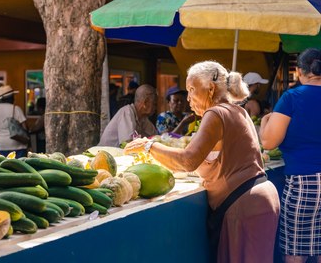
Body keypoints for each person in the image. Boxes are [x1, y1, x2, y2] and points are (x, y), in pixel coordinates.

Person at [124, 61, 279, 262]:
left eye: (191, 90)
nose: (188, 99)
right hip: (260, 199)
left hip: (243, 206)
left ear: (211, 88)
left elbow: (188, 160)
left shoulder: (215, 113)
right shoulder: (237, 111)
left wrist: (149, 146)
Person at [260, 48, 321, 263]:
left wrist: (266, 122)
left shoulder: (291, 98)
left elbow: (268, 142)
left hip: (303, 182)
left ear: (299, 71)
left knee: (296, 251)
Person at [0, 85, 28, 157]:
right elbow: (25, 127)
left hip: (1, 144)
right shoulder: (16, 109)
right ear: (11, 97)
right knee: (18, 167)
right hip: (18, 145)